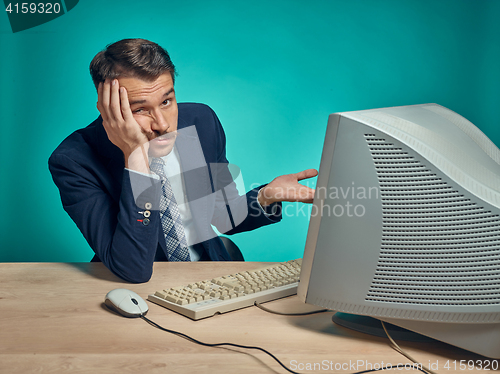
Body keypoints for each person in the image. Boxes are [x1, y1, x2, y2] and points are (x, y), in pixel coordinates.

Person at [49, 38, 317, 283]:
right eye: (140, 109)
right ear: (108, 107)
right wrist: (135, 156)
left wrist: (266, 196)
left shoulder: (201, 123)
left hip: (208, 275)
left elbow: (223, 215)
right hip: (132, 286)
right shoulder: (74, 161)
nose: (163, 125)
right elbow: (132, 267)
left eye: (166, 101)